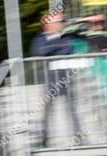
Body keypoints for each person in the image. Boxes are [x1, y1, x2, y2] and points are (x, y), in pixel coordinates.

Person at [30, 11, 84, 147]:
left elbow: (69, 48)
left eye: (63, 21)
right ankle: (44, 140)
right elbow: (39, 51)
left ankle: (78, 138)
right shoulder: (40, 39)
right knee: (47, 113)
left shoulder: (66, 37)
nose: (63, 24)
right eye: (60, 22)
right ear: (48, 25)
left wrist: (53, 47)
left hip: (66, 79)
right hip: (50, 81)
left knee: (72, 110)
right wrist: (56, 43)